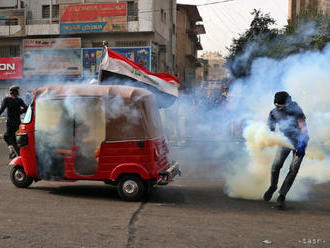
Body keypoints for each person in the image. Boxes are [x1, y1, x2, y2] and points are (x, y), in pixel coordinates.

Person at [263, 91, 309, 207]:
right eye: (277, 106)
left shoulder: (296, 109)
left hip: (299, 142)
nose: (280, 108)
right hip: (284, 141)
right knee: (276, 166)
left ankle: (282, 195)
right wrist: (267, 138)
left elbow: (303, 128)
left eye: (281, 106)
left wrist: (302, 144)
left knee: (293, 169)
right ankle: (273, 186)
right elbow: (270, 129)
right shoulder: (273, 112)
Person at [0, 85, 28, 158]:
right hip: (17, 123)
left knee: (10, 138)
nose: (18, 91)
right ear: (14, 91)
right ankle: (13, 151)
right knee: (9, 137)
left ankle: (18, 155)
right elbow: (26, 108)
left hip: (10, 123)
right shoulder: (19, 100)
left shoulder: (6, 99)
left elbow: (2, 109)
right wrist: (20, 112)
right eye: (17, 90)